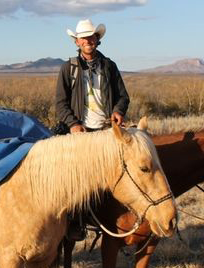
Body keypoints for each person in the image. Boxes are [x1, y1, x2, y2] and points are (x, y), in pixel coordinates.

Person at [54, 19, 130, 240]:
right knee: (76, 179)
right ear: (77, 42)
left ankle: (117, 216)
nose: (88, 41)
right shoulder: (68, 69)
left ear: (98, 39)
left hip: (107, 129)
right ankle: (75, 220)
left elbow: (123, 96)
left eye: (92, 37)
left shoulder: (109, 66)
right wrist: (73, 124)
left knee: (120, 171)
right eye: (84, 38)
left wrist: (118, 111)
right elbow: (60, 103)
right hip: (81, 132)